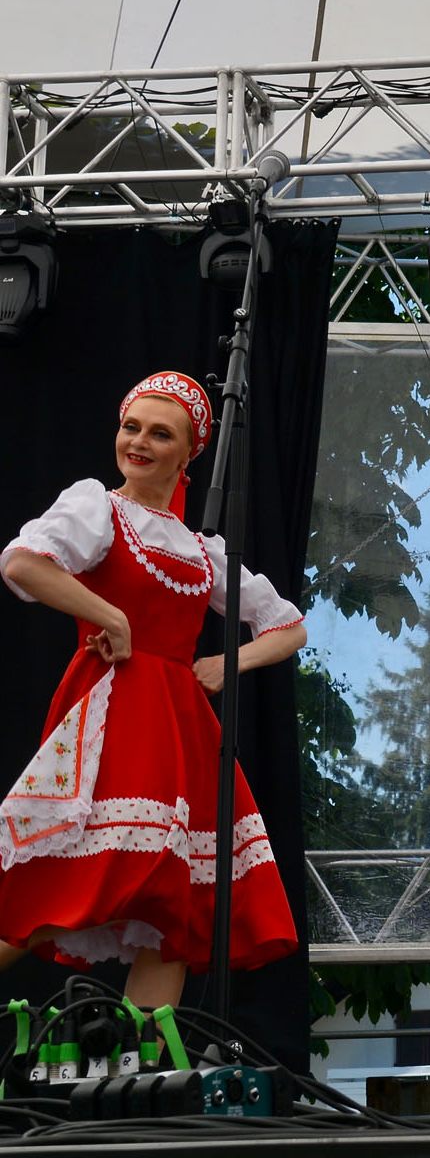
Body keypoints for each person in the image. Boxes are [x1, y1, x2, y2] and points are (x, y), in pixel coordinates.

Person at [0, 371, 304, 1011]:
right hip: (110, 718)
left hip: (178, 731)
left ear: (189, 450)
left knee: (172, 913)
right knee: (58, 881)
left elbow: (288, 626)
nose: (137, 443)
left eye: (159, 433)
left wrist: (228, 663)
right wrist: (109, 617)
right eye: (130, 426)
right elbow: (23, 563)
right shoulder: (98, 508)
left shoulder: (201, 549)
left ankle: (144, 1075)